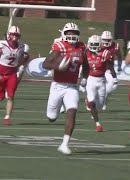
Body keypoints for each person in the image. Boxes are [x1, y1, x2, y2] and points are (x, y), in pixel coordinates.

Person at [42, 22, 88, 155]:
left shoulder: (82, 47)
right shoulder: (59, 46)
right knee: (51, 117)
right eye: (69, 33)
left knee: (72, 111)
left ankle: (64, 144)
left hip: (72, 87)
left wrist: (84, 77)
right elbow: (46, 64)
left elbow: (85, 65)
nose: (72, 35)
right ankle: (57, 108)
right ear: (64, 34)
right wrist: (58, 67)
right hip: (57, 85)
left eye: (75, 33)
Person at [0, 25, 25, 126]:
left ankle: (7, 117)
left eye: (16, 35)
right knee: (0, 97)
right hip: (1, 74)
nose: (15, 37)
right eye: (13, 34)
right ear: (8, 35)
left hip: (12, 74)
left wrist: (20, 69)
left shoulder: (21, 47)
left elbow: (22, 59)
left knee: (11, 96)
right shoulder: (2, 45)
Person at [84, 35, 115, 132]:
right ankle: (98, 124)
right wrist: (83, 78)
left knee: (100, 106)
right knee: (92, 103)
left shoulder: (105, 52)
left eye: (95, 44)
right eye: (92, 44)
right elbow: (84, 66)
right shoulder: (86, 53)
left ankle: (89, 102)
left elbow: (110, 66)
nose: (93, 46)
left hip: (101, 80)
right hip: (91, 80)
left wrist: (108, 60)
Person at [100, 31, 122, 110]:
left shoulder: (115, 46)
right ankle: (97, 101)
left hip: (109, 70)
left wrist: (119, 66)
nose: (106, 41)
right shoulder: (97, 45)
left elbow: (119, 56)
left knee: (112, 87)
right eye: (105, 40)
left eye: (108, 40)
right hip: (99, 69)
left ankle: (104, 99)